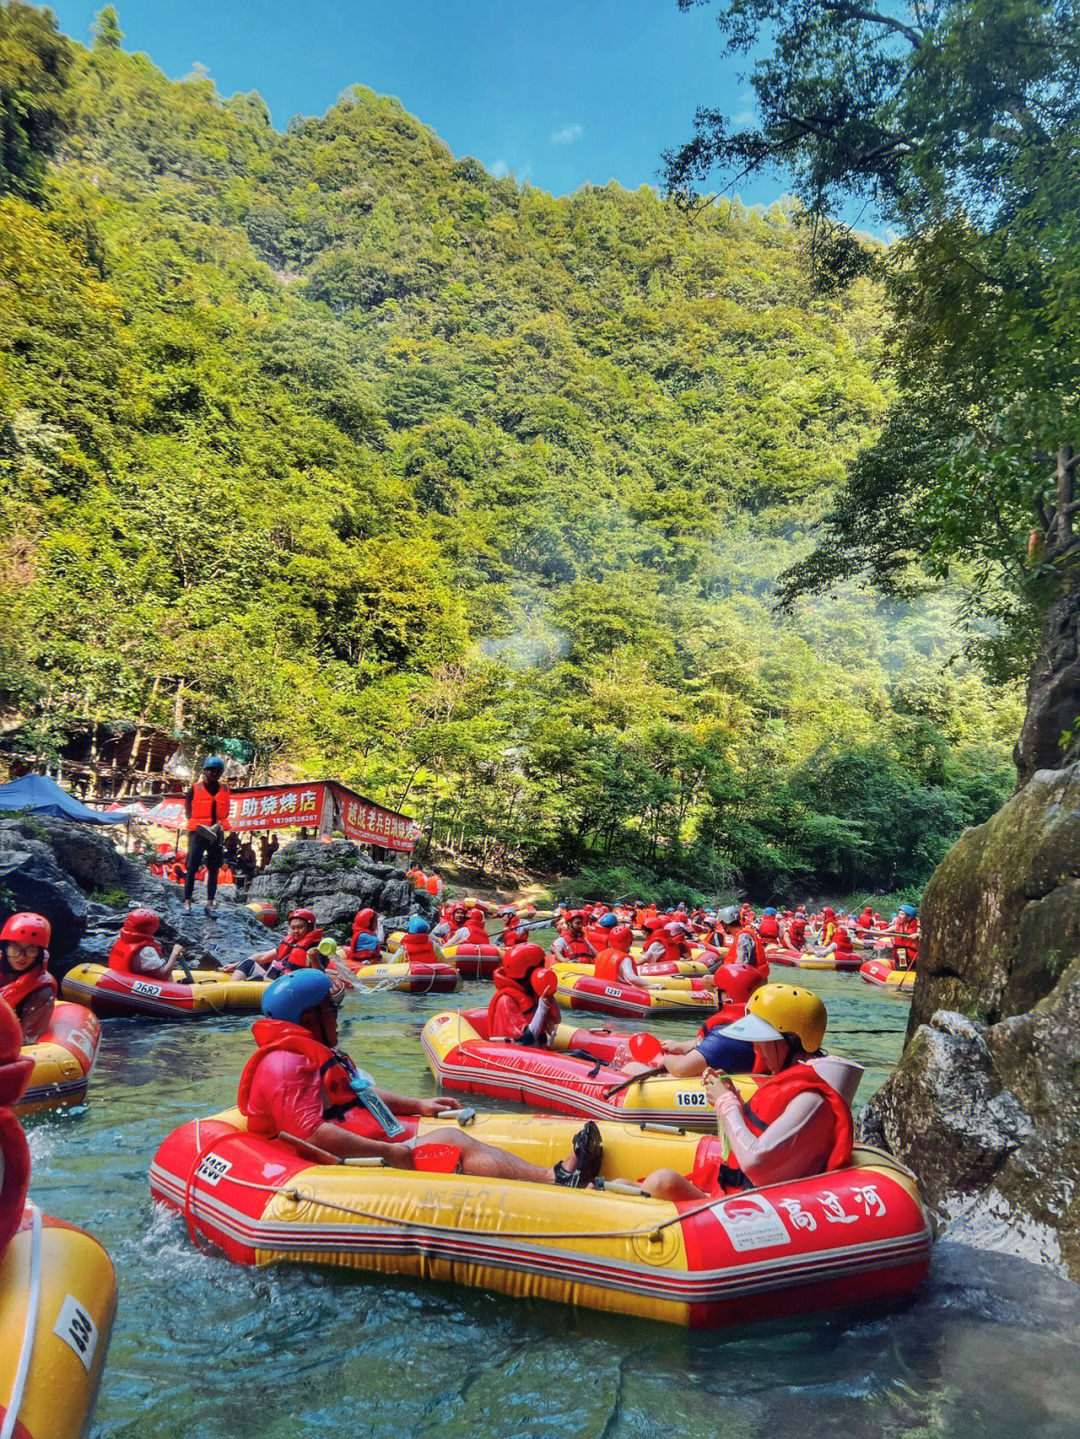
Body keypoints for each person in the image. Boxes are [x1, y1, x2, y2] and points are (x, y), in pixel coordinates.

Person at [239, 970, 600, 1185]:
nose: (336, 1016)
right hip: (325, 1167)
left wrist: (419, 1104)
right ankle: (554, 1179)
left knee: (450, 1133)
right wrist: (387, 1151)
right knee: (454, 1142)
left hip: (362, 1138)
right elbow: (311, 1135)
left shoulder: (312, 1051)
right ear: (308, 1020)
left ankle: (546, 1176)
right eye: (329, 1009)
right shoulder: (284, 1064)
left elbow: (358, 1092)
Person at [641, 984, 862, 1201]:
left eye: (763, 1039)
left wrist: (726, 1103)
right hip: (735, 1194)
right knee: (643, 1184)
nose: (755, 1047)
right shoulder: (800, 1089)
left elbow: (755, 1160)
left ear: (792, 1042)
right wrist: (736, 1101)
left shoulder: (811, 1101)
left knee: (662, 1182)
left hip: (748, 1208)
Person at [184, 756, 231, 914]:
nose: (214, 773)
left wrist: (218, 826)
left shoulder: (224, 789)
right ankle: (187, 901)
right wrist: (199, 825)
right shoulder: (195, 789)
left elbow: (226, 811)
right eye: (211, 770)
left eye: (217, 771)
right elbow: (188, 811)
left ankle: (210, 902)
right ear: (205, 771)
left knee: (214, 868)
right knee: (192, 866)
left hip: (216, 831)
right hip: (198, 831)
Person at [487, 943, 561, 1044]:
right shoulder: (506, 1000)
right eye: (540, 967)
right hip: (515, 1055)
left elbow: (556, 1020)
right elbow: (525, 1040)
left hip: (538, 1051)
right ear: (527, 972)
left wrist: (549, 996)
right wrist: (543, 1006)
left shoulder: (532, 991)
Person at [0, 913, 56, 1043]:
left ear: (39, 954)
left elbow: (25, 1040)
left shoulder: (42, 991)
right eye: (15, 948)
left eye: (31, 950)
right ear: (5, 949)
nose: (21, 957)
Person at [225, 908, 324, 980]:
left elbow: (320, 975)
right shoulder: (289, 943)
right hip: (275, 979)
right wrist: (236, 965)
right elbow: (262, 957)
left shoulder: (317, 947)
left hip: (291, 985)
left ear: (309, 928)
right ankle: (228, 991)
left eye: (300, 927)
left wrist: (314, 958)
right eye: (293, 928)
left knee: (256, 979)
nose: (296, 931)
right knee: (247, 963)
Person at [107, 909, 184, 979]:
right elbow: (163, 975)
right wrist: (174, 954)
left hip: (120, 978)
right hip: (138, 986)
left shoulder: (122, 939)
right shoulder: (146, 950)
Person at [890, 904, 920, 968]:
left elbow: (925, 935)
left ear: (909, 917)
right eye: (899, 914)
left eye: (902, 914)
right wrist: (864, 930)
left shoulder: (917, 928)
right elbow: (880, 933)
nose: (899, 916)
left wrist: (918, 934)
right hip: (900, 958)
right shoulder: (896, 927)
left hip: (912, 960)